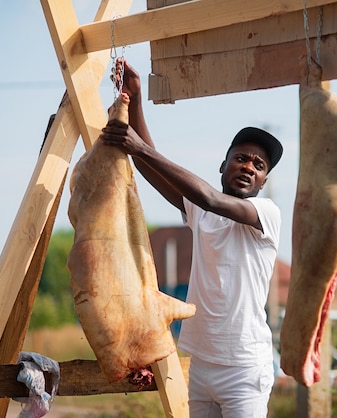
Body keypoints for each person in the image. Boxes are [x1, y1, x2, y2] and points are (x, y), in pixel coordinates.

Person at [100, 60, 283, 418]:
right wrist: (135, 99)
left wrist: (141, 148)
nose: (249, 166)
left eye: (259, 165)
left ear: (262, 182)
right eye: (241, 158)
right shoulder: (201, 212)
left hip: (245, 369)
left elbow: (209, 197)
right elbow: (148, 167)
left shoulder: (266, 215)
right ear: (223, 165)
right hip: (201, 365)